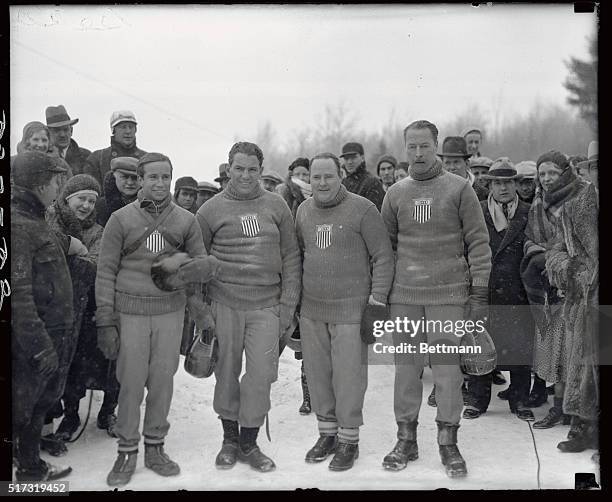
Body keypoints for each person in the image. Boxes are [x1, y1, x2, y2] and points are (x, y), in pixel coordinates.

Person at [95, 152, 216, 486]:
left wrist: (193, 267)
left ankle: (155, 448)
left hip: (170, 313)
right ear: (141, 180)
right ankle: (126, 451)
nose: (160, 183)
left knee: (162, 381)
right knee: (131, 383)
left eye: (166, 177)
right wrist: (105, 319)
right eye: (153, 177)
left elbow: (202, 264)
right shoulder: (120, 220)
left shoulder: (186, 221)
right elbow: (105, 272)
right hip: (130, 312)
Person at [380, 120, 491, 478]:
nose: (417, 153)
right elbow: (386, 248)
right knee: (407, 371)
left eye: (424, 146)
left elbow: (478, 243)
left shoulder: (459, 189)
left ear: (436, 145)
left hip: (448, 295)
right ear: (405, 148)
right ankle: (406, 440)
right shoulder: (395, 193)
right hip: (405, 297)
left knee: (445, 373)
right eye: (411, 146)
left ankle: (448, 442)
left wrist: (480, 293)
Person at [196, 142, 301, 473]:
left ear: (261, 169)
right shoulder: (210, 210)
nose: (245, 175)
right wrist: (202, 312)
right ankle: (229, 440)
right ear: (228, 168)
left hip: (266, 304)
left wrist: (287, 307)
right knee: (226, 373)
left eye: (252, 169)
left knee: (260, 375)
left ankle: (249, 442)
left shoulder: (277, 206)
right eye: (238, 168)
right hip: (224, 303)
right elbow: (197, 265)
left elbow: (291, 257)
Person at [296, 152, 393, 471]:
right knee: (318, 375)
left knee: (349, 379)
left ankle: (349, 440)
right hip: (312, 310)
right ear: (308, 180)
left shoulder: (362, 209)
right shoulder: (302, 211)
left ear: (340, 176)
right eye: (316, 177)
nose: (322, 182)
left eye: (328, 176)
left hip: (351, 311)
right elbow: (299, 256)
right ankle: (327, 434)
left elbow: (383, 257)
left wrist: (377, 302)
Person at [11, 151, 74, 481]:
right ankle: (23, 478)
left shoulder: (36, 220)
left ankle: (31, 467)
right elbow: (17, 296)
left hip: (50, 337)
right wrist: (39, 346)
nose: (57, 188)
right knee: (22, 408)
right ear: (37, 184)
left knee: (35, 406)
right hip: (32, 343)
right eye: (54, 181)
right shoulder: (20, 228)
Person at [45, 175, 119, 443]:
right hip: (49, 306)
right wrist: (71, 252)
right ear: (67, 198)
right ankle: (67, 416)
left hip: (84, 306)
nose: (86, 205)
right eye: (81, 199)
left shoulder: (99, 232)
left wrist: (70, 258)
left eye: (92, 200)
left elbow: (95, 264)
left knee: (84, 361)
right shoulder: (49, 219)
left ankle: (101, 412)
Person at [462, 159, 535, 421]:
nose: (503, 188)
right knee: (479, 343)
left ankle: (519, 400)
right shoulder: (478, 211)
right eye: (497, 183)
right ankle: (477, 401)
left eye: (508, 182)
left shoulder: (529, 211)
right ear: (489, 185)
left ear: (516, 184)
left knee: (520, 345)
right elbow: (467, 246)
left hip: (518, 289)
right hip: (485, 287)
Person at [521, 150, 589, 430]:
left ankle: (579, 414)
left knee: (579, 353)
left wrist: (563, 263)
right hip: (549, 287)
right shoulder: (539, 204)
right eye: (542, 173)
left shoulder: (582, 197)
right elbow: (529, 239)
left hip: (579, 287)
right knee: (555, 351)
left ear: (566, 172)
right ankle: (559, 408)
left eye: (552, 172)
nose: (547, 179)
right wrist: (546, 258)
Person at [546, 141, 598, 453]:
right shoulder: (574, 207)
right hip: (587, 296)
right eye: (598, 166)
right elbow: (556, 250)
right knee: (586, 363)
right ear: (590, 170)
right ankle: (584, 427)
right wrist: (571, 270)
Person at [275, 156, 313, 414]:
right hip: (289, 268)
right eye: (298, 172)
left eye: (306, 172)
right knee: (297, 332)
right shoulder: (282, 195)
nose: (304, 177)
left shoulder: (316, 196)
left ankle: (311, 394)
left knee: (312, 336)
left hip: (312, 270)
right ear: (290, 173)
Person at [84, 110, 146, 189]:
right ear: (113, 130)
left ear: (135, 130)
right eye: (123, 127)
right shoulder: (97, 159)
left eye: (131, 127)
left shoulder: (146, 159)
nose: (128, 131)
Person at [45, 105, 91, 176]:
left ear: (71, 131)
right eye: (57, 130)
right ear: (48, 133)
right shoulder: (42, 156)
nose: (62, 135)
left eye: (65, 129)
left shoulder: (86, 156)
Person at [95, 157, 141, 227]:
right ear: (114, 178)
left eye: (135, 178)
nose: (130, 182)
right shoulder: (99, 207)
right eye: (124, 177)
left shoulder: (151, 206)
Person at [340, 142, 385, 211]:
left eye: (353, 158)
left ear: (362, 158)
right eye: (346, 159)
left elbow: (375, 214)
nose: (349, 162)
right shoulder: (342, 183)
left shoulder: (372, 183)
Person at [440, 136, 488, 201]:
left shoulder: (484, 195)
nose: (452, 167)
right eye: (447, 163)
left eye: (456, 162)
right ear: (442, 164)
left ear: (467, 164)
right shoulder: (435, 191)